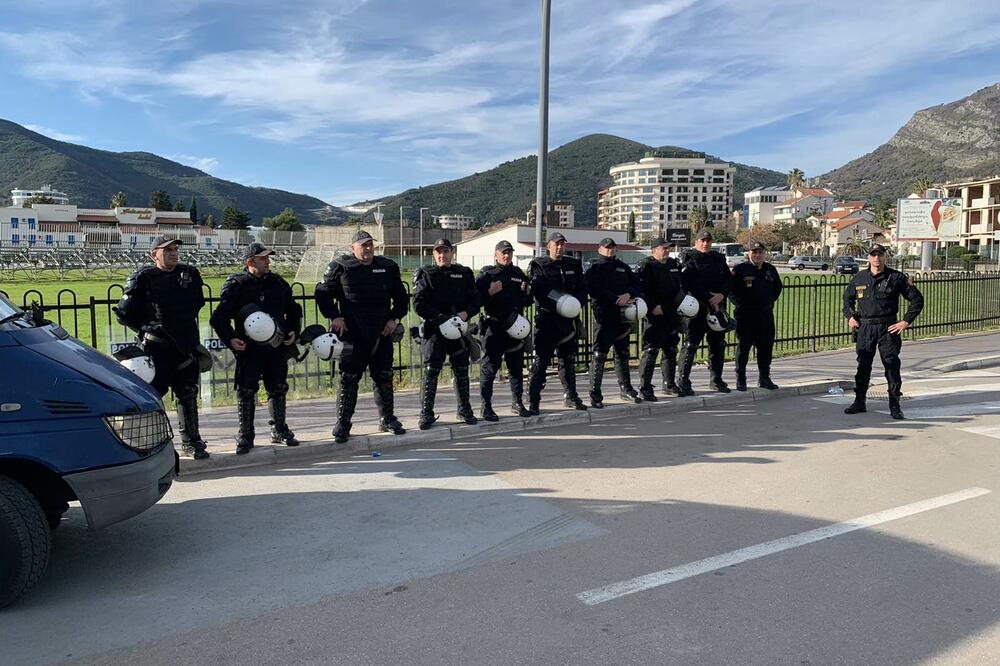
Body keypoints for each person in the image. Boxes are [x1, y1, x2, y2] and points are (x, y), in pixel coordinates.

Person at [115, 235, 210, 459]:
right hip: (157, 348)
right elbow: (124, 313)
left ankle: (192, 441)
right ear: (153, 255)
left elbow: (197, 304)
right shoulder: (144, 278)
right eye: (167, 250)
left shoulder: (189, 274)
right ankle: (156, 446)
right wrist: (146, 327)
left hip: (186, 346)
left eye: (175, 249)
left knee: (188, 394)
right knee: (154, 397)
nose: (174, 253)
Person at [315, 230, 409, 443]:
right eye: (363, 245)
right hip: (352, 336)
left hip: (381, 335)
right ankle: (343, 423)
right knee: (348, 379)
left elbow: (402, 299)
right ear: (353, 248)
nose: (367, 248)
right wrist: (334, 316)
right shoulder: (341, 267)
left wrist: (394, 319)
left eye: (370, 245)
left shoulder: (387, 267)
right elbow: (322, 294)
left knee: (384, 376)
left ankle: (387, 418)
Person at [210, 242, 302, 454]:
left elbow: (293, 310)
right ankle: (245, 435)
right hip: (249, 349)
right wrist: (231, 339)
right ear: (250, 262)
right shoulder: (237, 285)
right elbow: (219, 317)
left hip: (276, 347)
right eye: (263, 258)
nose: (268, 261)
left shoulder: (278, 283)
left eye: (268, 258)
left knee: (278, 388)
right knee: (246, 391)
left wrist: (293, 331)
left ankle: (279, 429)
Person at [842, 244, 924, 419]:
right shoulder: (859, 277)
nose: (877, 258)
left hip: (888, 328)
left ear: (885, 257)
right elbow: (847, 299)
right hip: (865, 328)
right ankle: (859, 401)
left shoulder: (896, 277)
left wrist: (905, 321)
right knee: (863, 366)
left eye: (880, 255)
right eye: (873, 255)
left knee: (891, 365)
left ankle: (894, 404)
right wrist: (850, 316)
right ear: (869, 258)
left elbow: (917, 299)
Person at [413, 238, 481, 429]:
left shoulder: (464, 273)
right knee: (431, 372)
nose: (442, 255)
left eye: (446, 251)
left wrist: (466, 313)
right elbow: (418, 304)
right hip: (435, 330)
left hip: (459, 331)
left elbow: (475, 300)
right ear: (434, 255)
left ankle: (464, 410)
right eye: (438, 252)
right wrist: (440, 318)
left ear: (452, 253)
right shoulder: (426, 273)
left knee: (461, 370)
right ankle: (426, 413)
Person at [526, 232, 589, 414]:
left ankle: (571, 396)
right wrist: (560, 302)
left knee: (568, 361)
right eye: (556, 244)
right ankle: (534, 401)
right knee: (540, 363)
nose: (559, 247)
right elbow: (539, 290)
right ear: (549, 246)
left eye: (562, 244)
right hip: (548, 320)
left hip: (568, 321)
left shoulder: (573, 264)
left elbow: (582, 288)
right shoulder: (539, 265)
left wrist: (576, 303)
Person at [475, 240, 532, 421]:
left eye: (509, 252)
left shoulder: (518, 274)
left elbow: (527, 302)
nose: (506, 255)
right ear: (496, 254)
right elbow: (475, 301)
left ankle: (517, 402)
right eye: (503, 252)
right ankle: (486, 406)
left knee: (516, 368)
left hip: (514, 328)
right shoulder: (487, 274)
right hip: (494, 327)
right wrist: (489, 293)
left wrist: (527, 293)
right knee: (490, 368)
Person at [584, 237, 643, 407]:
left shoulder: (623, 267)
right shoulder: (595, 268)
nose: (610, 250)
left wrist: (628, 295)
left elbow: (636, 284)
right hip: (604, 316)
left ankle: (626, 389)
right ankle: (595, 394)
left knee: (622, 353)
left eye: (612, 247)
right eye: (606, 247)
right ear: (600, 249)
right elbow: (593, 289)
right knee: (600, 355)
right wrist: (614, 299)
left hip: (623, 316)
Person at [677, 229, 733, 395]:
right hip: (698, 307)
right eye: (702, 241)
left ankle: (716, 379)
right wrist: (709, 298)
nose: (705, 244)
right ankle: (683, 380)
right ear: (696, 242)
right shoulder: (690, 258)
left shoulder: (718, 258)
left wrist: (721, 294)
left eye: (708, 241)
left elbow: (728, 279)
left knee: (718, 344)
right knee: (691, 344)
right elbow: (691, 282)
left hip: (717, 306)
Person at [730, 241, 783, 391]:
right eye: (754, 252)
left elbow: (777, 288)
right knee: (744, 348)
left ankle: (764, 378)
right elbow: (730, 290)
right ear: (749, 253)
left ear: (765, 254)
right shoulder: (740, 269)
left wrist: (769, 301)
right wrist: (739, 304)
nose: (758, 255)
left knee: (765, 347)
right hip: (746, 314)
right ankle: (741, 379)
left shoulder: (770, 269)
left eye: (760, 252)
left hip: (765, 314)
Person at [636, 237, 685, 401]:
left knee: (671, 349)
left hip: (671, 312)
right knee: (651, 350)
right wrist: (651, 306)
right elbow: (641, 290)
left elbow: (679, 286)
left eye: (668, 248)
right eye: (663, 248)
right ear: (654, 250)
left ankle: (669, 384)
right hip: (655, 313)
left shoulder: (673, 264)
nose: (666, 251)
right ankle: (645, 387)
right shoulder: (647, 266)